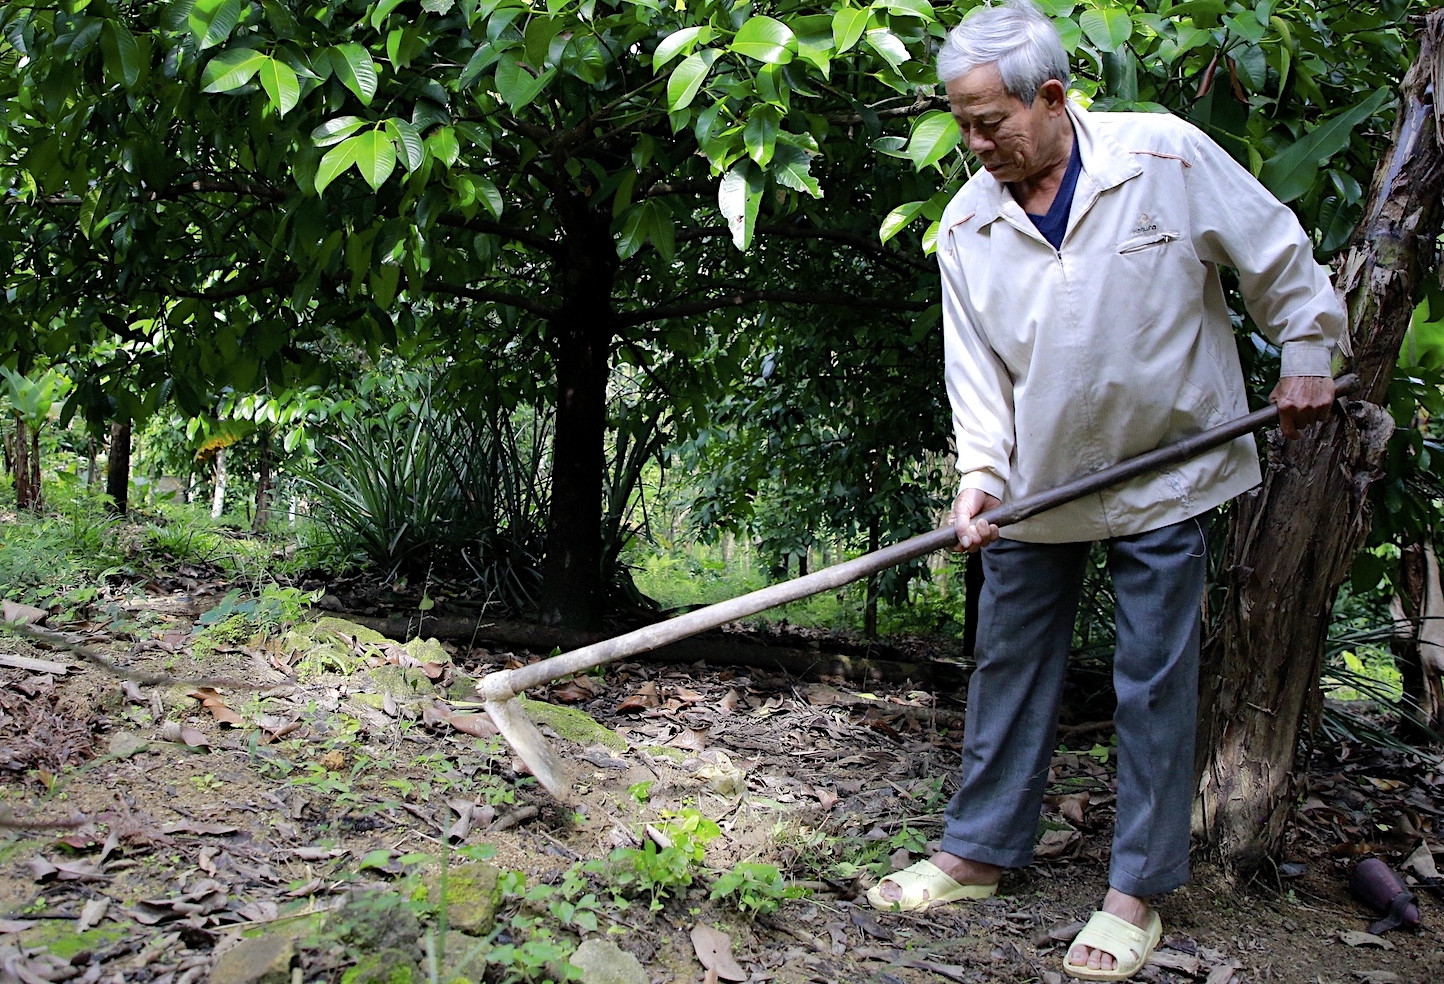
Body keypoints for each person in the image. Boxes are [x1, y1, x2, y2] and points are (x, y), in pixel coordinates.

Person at [864, 2, 1346, 981]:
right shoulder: (967, 225)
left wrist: (1304, 346)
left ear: (1048, 98)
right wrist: (978, 482)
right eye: (958, 121)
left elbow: (1273, 248)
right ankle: (977, 852)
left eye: (987, 121)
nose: (972, 142)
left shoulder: (1161, 158)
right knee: (1007, 665)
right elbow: (978, 379)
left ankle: (1136, 892)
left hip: (1164, 470)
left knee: (1151, 680)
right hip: (1038, 488)